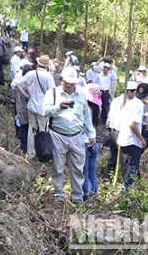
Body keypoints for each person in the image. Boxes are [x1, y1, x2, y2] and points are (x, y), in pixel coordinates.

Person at [43, 67, 96, 203]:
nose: (68, 85)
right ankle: (58, 195)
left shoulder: (81, 95)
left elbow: (86, 116)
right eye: (66, 82)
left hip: (77, 136)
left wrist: (91, 134)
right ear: (61, 80)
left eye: (71, 83)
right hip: (57, 135)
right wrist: (58, 107)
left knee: (78, 168)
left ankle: (77, 196)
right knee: (58, 167)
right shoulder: (53, 93)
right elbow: (45, 111)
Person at [17, 54, 56, 160]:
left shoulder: (31, 74)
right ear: (47, 65)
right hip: (43, 108)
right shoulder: (48, 77)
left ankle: (31, 154)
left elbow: (18, 84)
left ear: (38, 63)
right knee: (43, 131)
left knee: (31, 129)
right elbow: (53, 92)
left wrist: (27, 96)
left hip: (31, 106)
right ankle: (42, 153)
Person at [117, 83, 148, 189]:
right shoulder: (139, 105)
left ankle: (131, 188)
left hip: (123, 138)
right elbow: (132, 124)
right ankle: (125, 189)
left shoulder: (130, 103)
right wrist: (142, 139)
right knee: (133, 167)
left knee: (129, 164)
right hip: (132, 140)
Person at [103, 81, 138, 179]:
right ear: (129, 92)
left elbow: (110, 116)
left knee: (114, 157)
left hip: (113, 130)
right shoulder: (127, 103)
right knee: (124, 158)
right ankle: (126, 182)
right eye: (134, 92)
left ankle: (107, 178)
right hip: (120, 131)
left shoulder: (116, 100)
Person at [12, 60, 34, 154]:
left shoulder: (17, 84)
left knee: (23, 128)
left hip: (19, 109)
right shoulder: (28, 86)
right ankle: (29, 149)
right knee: (29, 129)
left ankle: (23, 148)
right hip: (29, 110)